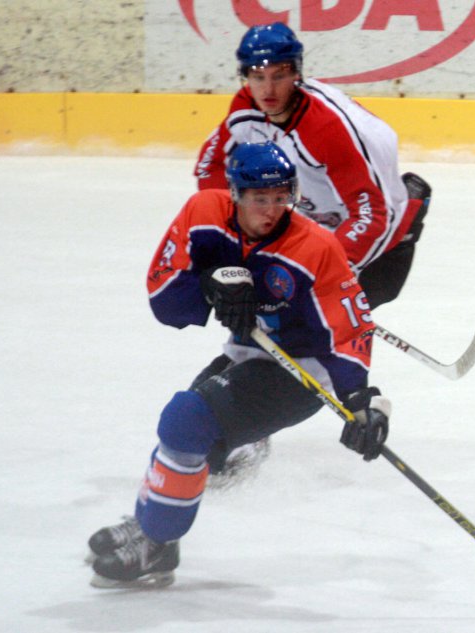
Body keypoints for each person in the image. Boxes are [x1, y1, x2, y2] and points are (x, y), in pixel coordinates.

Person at [87, 141, 391, 587]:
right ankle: (153, 526)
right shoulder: (204, 214)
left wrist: (360, 399)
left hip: (301, 371)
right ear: (235, 194)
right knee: (187, 437)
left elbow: (349, 329)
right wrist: (208, 285)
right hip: (248, 353)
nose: (271, 210)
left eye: (281, 197)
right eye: (259, 198)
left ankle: (155, 543)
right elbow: (165, 301)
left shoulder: (315, 247)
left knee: (185, 420)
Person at [194, 21, 431, 312]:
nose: (267, 89)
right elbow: (211, 167)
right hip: (317, 217)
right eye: (257, 77)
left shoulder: (326, 129)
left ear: (296, 73)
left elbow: (372, 215)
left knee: (345, 300)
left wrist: (324, 275)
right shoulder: (246, 107)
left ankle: (411, 204)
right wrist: (230, 239)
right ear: (245, 76)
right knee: (282, 305)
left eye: (279, 76)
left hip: (380, 223)